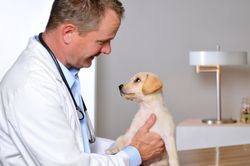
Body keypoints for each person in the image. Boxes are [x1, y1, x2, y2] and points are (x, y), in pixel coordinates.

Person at [0, 0, 165, 165]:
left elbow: (80, 147)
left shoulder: (62, 73)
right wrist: (134, 154)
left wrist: (125, 145)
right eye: (102, 41)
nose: (108, 50)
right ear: (68, 33)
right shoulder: (31, 86)